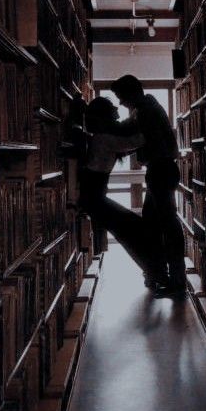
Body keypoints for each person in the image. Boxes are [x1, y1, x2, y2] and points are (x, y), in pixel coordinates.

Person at [79, 96, 170, 288]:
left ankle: (154, 272)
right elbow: (137, 141)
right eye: (113, 111)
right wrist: (151, 121)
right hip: (94, 200)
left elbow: (127, 145)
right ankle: (155, 272)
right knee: (133, 232)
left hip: (94, 198)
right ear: (105, 116)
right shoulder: (103, 139)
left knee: (130, 234)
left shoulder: (102, 137)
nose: (118, 114)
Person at [109, 75, 186, 297]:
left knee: (166, 225)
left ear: (131, 94)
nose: (121, 103)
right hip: (161, 170)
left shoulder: (145, 111)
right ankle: (160, 274)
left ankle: (175, 281)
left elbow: (131, 134)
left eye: (121, 97)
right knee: (154, 223)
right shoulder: (148, 107)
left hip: (160, 170)